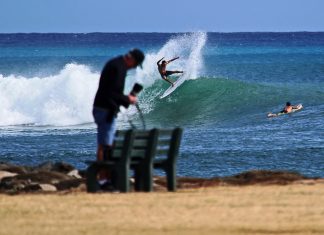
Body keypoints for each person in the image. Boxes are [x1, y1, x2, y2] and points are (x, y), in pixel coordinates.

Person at [92, 48, 145, 188]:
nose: (133, 67)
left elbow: (112, 93)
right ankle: (103, 180)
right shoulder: (118, 68)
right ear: (131, 59)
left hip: (104, 109)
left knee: (108, 144)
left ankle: (107, 178)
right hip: (104, 110)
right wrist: (128, 99)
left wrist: (125, 100)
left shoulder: (116, 65)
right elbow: (111, 93)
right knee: (105, 145)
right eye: (135, 64)